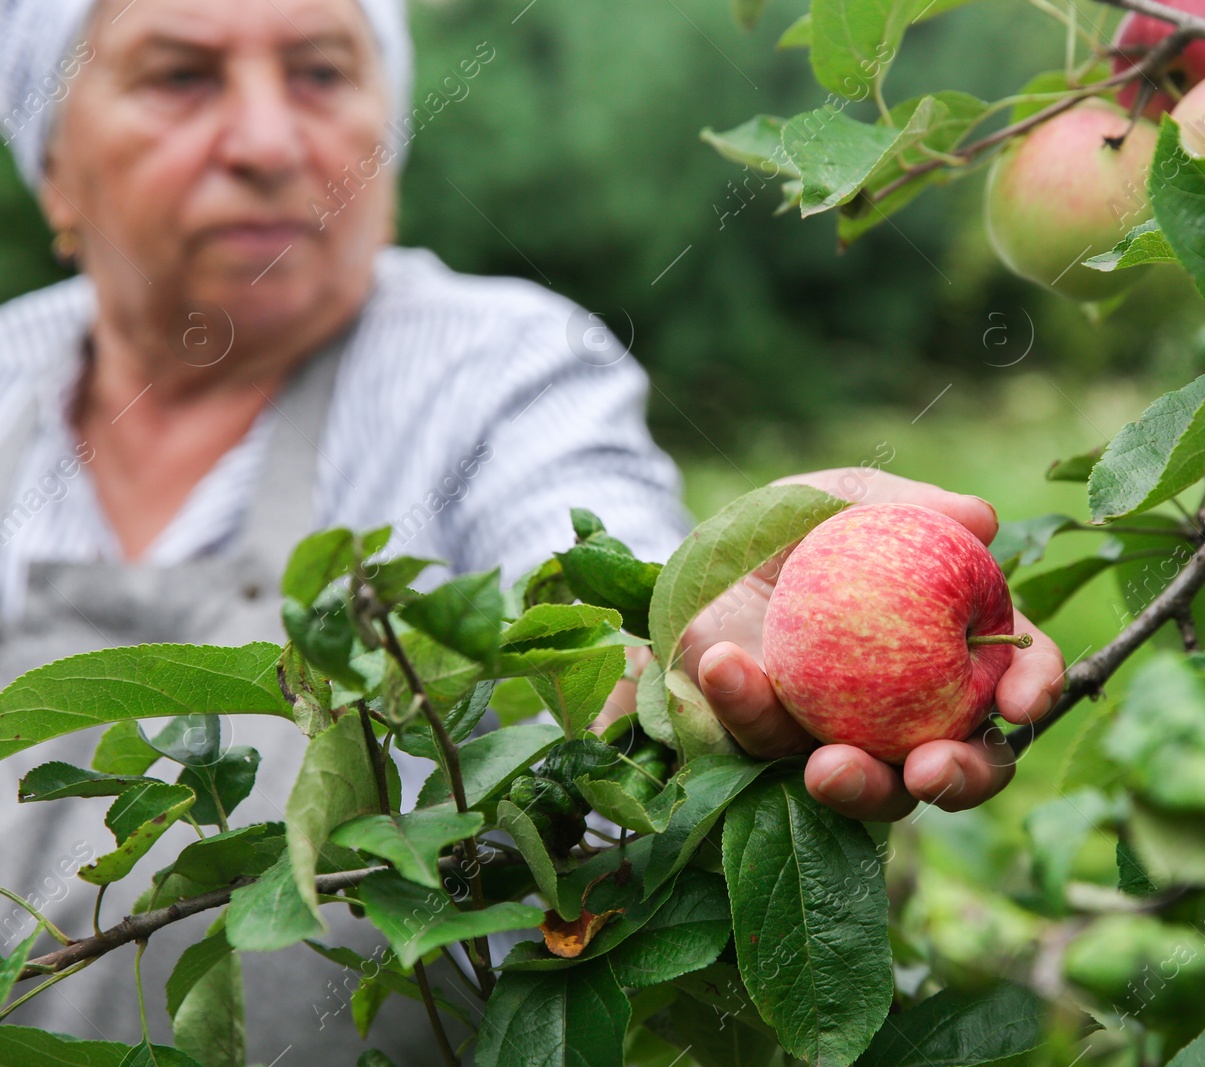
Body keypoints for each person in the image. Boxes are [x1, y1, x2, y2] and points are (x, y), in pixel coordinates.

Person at [0, 0, 1065, 1061]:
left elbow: (575, 571)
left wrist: (694, 614)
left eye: (322, 73)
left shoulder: (498, 367)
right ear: (51, 160)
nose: (272, 142)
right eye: (180, 76)